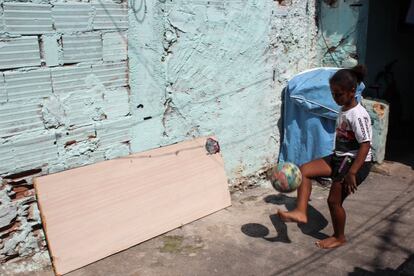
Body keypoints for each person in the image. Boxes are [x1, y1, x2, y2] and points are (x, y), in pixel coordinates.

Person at [278, 64, 373, 249]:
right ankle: (300, 211)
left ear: (352, 91)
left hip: (355, 162)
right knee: (304, 170)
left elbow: (365, 145)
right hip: (340, 157)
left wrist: (353, 172)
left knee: (334, 201)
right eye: (332, 93)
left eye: (338, 94)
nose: (334, 98)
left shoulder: (358, 114)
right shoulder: (344, 108)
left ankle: (339, 236)